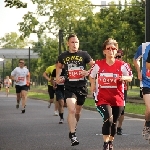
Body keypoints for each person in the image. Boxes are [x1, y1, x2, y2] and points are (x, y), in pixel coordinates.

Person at [89, 38, 132, 150]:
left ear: (116, 50)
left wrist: (123, 77)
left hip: (118, 98)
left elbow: (130, 77)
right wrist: (93, 84)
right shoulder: (98, 64)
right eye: (108, 48)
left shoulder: (122, 65)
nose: (111, 50)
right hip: (102, 98)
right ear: (104, 51)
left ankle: (110, 141)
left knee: (114, 123)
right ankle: (105, 143)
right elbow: (91, 75)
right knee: (108, 118)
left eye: (113, 48)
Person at [56, 34, 95, 146]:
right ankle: (73, 135)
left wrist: (87, 73)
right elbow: (59, 67)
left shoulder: (84, 54)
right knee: (72, 110)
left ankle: (74, 127)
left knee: (77, 111)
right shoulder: (63, 56)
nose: (74, 44)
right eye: (72, 42)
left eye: (76, 42)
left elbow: (94, 66)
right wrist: (58, 77)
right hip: (69, 86)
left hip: (81, 86)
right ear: (68, 43)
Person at [133, 43, 150, 140]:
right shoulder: (144, 47)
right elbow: (135, 59)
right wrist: (139, 72)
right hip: (146, 82)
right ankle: (147, 124)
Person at [115, 49, 131, 135]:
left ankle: (119, 127)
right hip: (110, 89)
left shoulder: (125, 65)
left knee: (121, 110)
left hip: (122, 89)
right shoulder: (109, 64)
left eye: (119, 57)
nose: (117, 58)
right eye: (115, 56)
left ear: (122, 57)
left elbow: (129, 78)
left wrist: (123, 78)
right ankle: (110, 125)